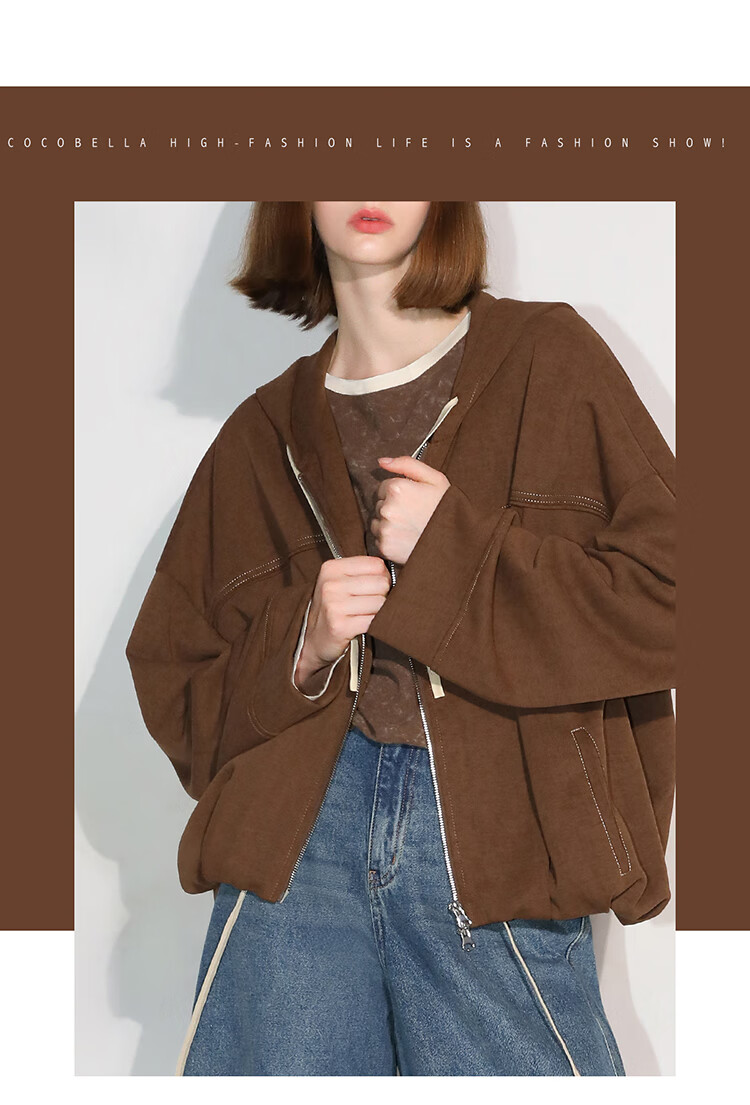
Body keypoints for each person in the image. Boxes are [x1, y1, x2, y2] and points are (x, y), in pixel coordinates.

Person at [125, 201, 676, 1076]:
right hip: (294, 865)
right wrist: (301, 645)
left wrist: (456, 552)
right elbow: (174, 685)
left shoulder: (546, 359)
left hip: (495, 850)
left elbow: (678, 597)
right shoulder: (261, 434)